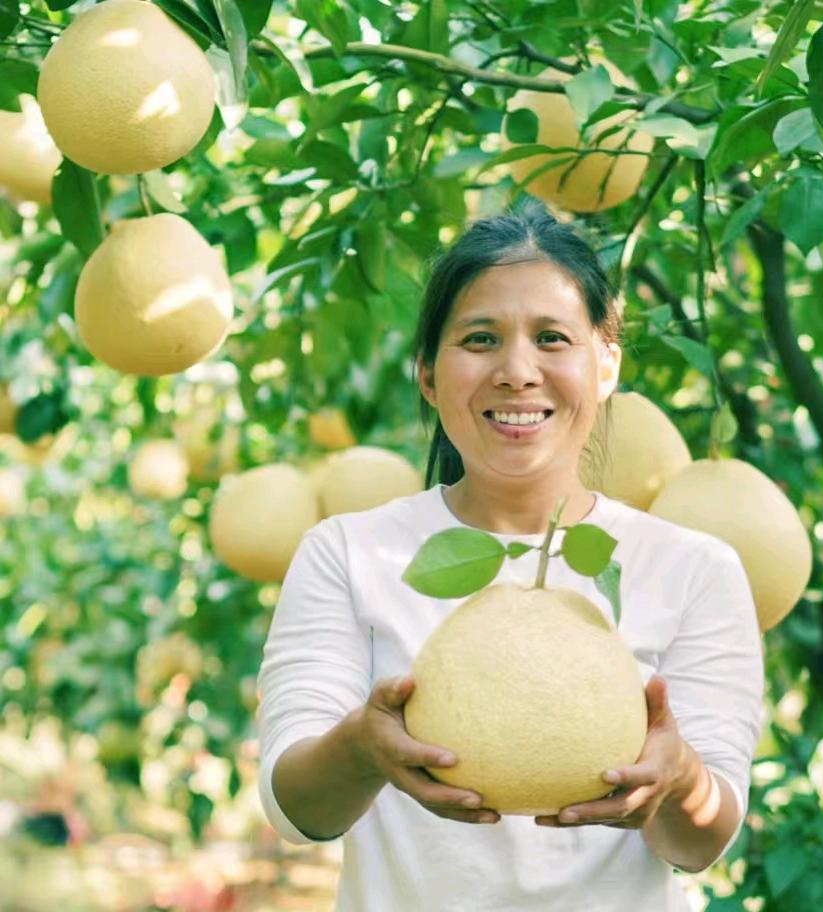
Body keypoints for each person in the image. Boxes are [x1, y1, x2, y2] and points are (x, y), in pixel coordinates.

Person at [256, 207, 764, 911]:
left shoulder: (693, 569)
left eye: (552, 338)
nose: (518, 372)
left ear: (606, 364)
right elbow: (297, 811)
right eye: (481, 339)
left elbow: (702, 841)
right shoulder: (349, 553)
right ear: (429, 375)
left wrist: (678, 778)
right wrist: (360, 748)